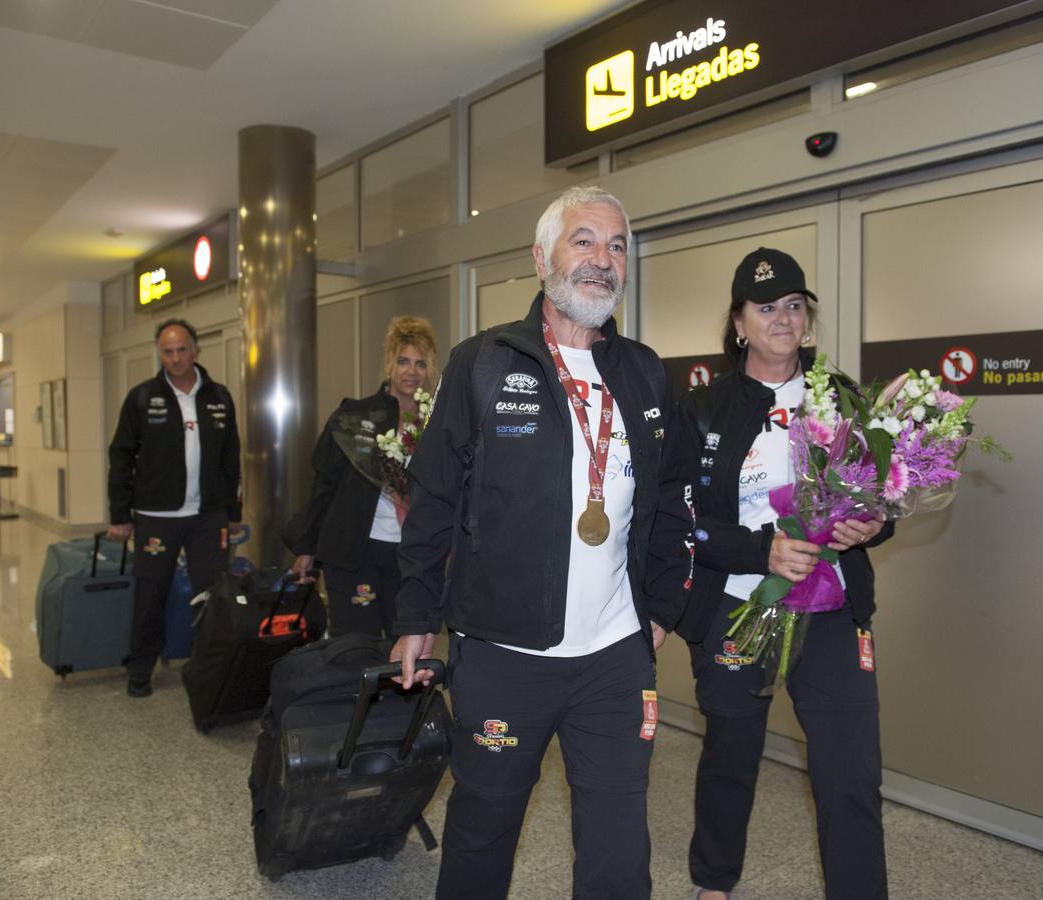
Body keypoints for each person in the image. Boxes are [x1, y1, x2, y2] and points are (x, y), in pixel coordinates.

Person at [391, 186, 693, 900]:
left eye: (617, 245)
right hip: (504, 655)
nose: (603, 260)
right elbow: (432, 498)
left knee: (620, 854)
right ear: (541, 257)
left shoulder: (646, 372)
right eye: (583, 241)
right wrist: (413, 617)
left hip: (615, 660)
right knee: (482, 836)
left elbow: (675, 499)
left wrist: (661, 607)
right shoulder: (483, 364)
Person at [674, 247, 893, 900]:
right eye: (766, 308)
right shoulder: (705, 408)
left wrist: (876, 525)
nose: (782, 319)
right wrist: (758, 551)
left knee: (850, 769)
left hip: (830, 613)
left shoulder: (844, 397)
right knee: (731, 757)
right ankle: (714, 883)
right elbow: (682, 523)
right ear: (739, 322)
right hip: (749, 607)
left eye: (794, 306)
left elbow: (884, 495)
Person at [107, 318, 242, 698]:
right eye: (168, 351)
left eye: (182, 349)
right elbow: (120, 456)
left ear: (195, 351)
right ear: (160, 354)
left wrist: (232, 512)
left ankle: (207, 670)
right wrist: (120, 515)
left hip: (207, 516)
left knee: (212, 596)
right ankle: (140, 671)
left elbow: (231, 457)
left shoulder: (218, 396)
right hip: (157, 517)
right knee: (151, 594)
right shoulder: (142, 397)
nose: (176, 358)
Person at [282, 315, 438, 637]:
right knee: (354, 649)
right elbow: (324, 483)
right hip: (354, 551)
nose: (411, 371)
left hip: (410, 556)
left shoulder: (437, 422)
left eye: (420, 364)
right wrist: (306, 546)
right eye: (403, 361)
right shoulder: (354, 417)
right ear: (389, 365)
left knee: (403, 649)